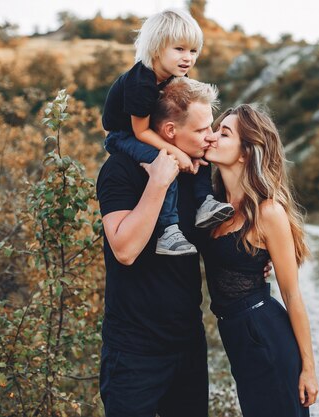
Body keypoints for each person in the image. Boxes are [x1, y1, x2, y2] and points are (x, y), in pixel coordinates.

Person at [96, 77, 219, 417]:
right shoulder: (120, 170)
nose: (210, 136)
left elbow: (210, 241)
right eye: (201, 130)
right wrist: (159, 182)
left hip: (187, 342)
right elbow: (125, 249)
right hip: (134, 350)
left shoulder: (198, 173)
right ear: (168, 131)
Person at [202, 104, 319, 417]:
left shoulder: (268, 212)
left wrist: (308, 368)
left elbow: (292, 295)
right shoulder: (209, 206)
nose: (212, 137)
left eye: (223, 133)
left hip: (264, 333)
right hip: (236, 336)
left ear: (244, 152)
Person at [101, 8, 234, 256]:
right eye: (179, 49)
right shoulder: (141, 82)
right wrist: (175, 152)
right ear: (156, 48)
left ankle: (204, 202)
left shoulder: (175, 76)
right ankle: (168, 231)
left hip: (148, 131)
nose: (188, 58)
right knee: (164, 161)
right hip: (123, 135)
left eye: (193, 51)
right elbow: (140, 133)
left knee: (199, 147)